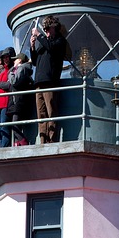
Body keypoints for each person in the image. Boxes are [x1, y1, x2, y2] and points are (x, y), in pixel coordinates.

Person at [30, 15, 70, 144]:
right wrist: (32, 47)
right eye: (45, 29)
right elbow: (36, 61)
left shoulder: (60, 41)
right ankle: (43, 140)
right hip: (39, 81)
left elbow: (52, 48)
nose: (46, 31)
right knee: (41, 114)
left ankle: (52, 140)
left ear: (54, 27)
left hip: (50, 81)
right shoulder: (45, 43)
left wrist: (39, 36)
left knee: (51, 111)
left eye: (47, 28)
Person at [8, 53, 35, 145]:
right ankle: (18, 144)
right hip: (19, 101)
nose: (14, 61)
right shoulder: (23, 69)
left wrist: (10, 72)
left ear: (19, 60)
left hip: (19, 101)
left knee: (15, 125)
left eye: (15, 59)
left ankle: (24, 143)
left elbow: (14, 81)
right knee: (16, 126)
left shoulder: (22, 68)